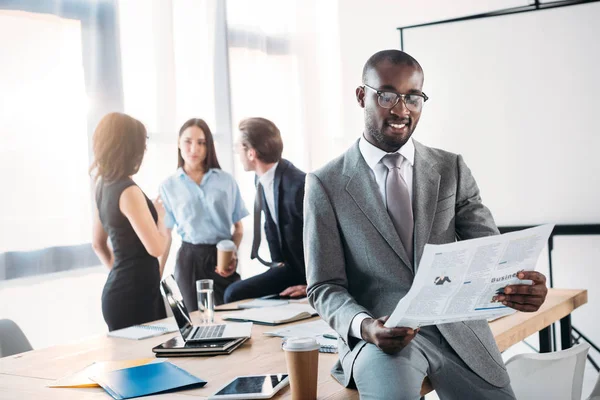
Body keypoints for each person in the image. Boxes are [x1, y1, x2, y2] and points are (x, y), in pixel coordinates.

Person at [303, 50, 549, 400]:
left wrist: (520, 286)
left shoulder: (451, 169)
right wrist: (365, 326)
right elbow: (324, 286)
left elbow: (491, 256)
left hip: (461, 334)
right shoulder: (325, 184)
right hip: (384, 341)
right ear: (362, 96)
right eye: (387, 95)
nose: (402, 110)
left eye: (413, 97)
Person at [90, 112, 168, 332]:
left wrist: (120, 273)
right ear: (128, 148)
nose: (143, 151)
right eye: (141, 145)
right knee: (149, 362)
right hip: (136, 296)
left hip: (120, 293)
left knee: (134, 364)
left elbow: (97, 244)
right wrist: (160, 216)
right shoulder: (129, 191)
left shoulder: (102, 186)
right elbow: (156, 248)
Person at [159, 118, 248, 309]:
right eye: (188, 142)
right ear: (178, 143)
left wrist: (232, 254)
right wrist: (156, 275)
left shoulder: (226, 181)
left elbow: (238, 228)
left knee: (233, 314)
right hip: (189, 259)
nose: (194, 149)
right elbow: (166, 235)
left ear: (208, 146)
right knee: (196, 323)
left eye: (201, 142)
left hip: (222, 256)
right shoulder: (168, 186)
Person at [223, 118, 307, 303]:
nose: (237, 152)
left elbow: (328, 242)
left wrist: (314, 285)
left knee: (232, 294)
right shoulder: (261, 179)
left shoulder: (298, 186)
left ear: (251, 153)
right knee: (233, 293)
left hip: (307, 274)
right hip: (286, 267)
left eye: (238, 147)